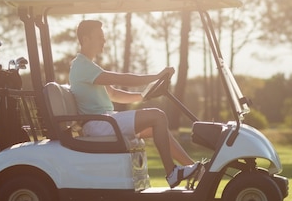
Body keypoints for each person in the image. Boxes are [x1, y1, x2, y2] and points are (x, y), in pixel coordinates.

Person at [69, 19, 201, 188]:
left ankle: (194, 169)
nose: (104, 40)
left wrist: (143, 96)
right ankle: (172, 172)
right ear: (86, 39)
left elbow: (114, 94)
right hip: (98, 124)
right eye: (100, 37)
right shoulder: (82, 66)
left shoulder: (88, 66)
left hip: (105, 121)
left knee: (158, 126)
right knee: (157, 116)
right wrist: (156, 76)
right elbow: (121, 79)